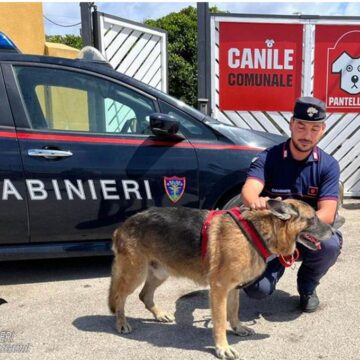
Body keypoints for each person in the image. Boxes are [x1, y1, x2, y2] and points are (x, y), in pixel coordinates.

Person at [240, 96, 343, 312]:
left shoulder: (328, 165)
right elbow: (249, 192)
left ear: (323, 129)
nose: (307, 135)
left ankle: (307, 286)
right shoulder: (269, 158)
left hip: (305, 236)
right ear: (291, 124)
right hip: (272, 240)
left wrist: (293, 229)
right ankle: (270, 271)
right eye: (301, 126)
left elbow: (327, 214)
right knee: (257, 290)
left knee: (330, 244)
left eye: (315, 128)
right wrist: (257, 202)